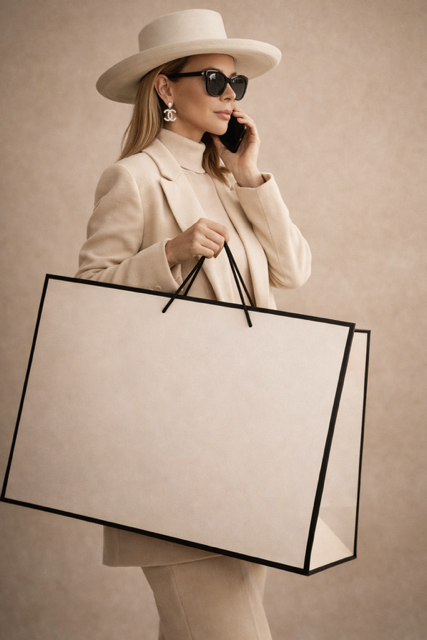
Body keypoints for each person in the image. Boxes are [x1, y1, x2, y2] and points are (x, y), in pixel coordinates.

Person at [76, 9, 311, 640]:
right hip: (174, 450)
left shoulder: (232, 182)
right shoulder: (134, 178)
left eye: (237, 83)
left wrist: (251, 176)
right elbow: (87, 299)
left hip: (248, 444)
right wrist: (170, 254)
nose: (230, 94)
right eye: (213, 79)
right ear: (164, 87)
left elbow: (293, 271)